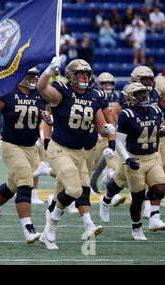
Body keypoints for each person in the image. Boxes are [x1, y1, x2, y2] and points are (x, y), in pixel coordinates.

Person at [37, 58, 115, 250]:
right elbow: (41, 88)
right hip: (60, 148)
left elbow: (100, 128)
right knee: (74, 189)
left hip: (80, 152)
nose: (85, 77)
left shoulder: (94, 96)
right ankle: (52, 227)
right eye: (81, 73)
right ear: (71, 75)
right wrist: (48, 70)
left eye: (87, 74)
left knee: (73, 190)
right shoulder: (62, 91)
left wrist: (108, 129)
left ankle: (49, 231)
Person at [0, 67, 49, 243]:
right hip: (10, 145)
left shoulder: (40, 95)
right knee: (26, 180)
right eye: (31, 75)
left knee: (12, 185)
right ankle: (28, 229)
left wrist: (49, 121)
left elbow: (47, 117)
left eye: (36, 75)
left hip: (31, 148)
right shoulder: (8, 94)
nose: (35, 78)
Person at [112, 83, 165, 239]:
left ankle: (148, 203)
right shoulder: (126, 114)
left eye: (144, 93)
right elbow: (119, 141)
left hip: (152, 157)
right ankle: (136, 228)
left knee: (161, 189)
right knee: (137, 199)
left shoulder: (155, 110)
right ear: (130, 97)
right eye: (139, 93)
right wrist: (127, 159)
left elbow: (156, 131)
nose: (144, 96)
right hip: (135, 159)